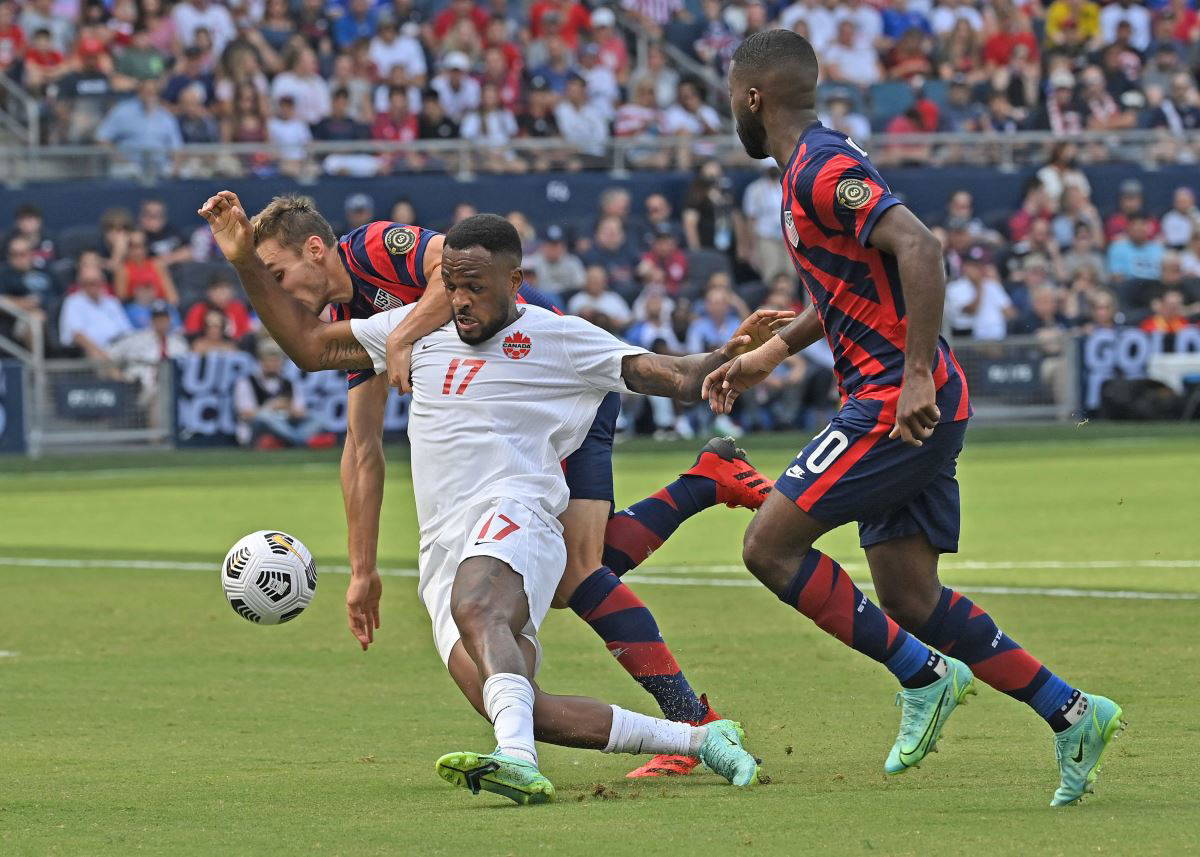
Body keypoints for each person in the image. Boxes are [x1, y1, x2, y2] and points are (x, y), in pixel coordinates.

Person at [199, 190, 783, 779]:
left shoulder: (541, 329)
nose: (458, 301)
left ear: (513, 279)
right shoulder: (404, 327)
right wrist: (244, 259)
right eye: (451, 287)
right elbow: (318, 368)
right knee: (515, 701)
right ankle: (699, 738)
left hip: (526, 466)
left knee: (539, 583)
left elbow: (673, 374)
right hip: (445, 539)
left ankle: (533, 758)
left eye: (473, 286)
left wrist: (728, 358)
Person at [708, 28, 1124, 807]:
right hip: (900, 399)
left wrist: (913, 376)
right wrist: (772, 353)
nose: (731, 107)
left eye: (733, 94)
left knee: (768, 546)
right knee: (908, 596)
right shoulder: (806, 168)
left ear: (754, 96)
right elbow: (849, 285)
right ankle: (1074, 712)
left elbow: (921, 248)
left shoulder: (823, 167)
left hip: (893, 403)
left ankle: (924, 674)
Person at [233, 338, 336, 449]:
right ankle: (299, 440)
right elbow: (246, 414)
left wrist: (290, 410)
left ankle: (291, 440)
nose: (273, 364)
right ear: (261, 362)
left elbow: (300, 411)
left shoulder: (289, 383)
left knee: (318, 418)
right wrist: (271, 406)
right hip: (259, 426)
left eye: (276, 360)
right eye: (269, 360)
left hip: (286, 422)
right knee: (265, 417)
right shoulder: (247, 382)